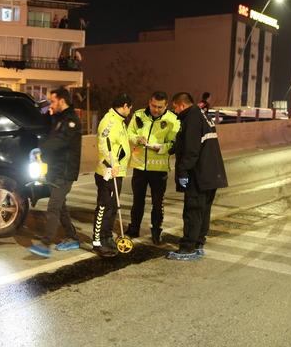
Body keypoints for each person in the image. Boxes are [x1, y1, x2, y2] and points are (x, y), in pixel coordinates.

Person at [168, 92, 228, 260]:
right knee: (203, 211)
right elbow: (188, 142)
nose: (175, 111)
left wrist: (183, 171)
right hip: (211, 173)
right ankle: (199, 243)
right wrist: (170, 148)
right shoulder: (202, 115)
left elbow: (191, 149)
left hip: (199, 174)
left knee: (193, 210)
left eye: (175, 108)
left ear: (181, 105)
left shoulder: (192, 118)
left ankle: (187, 248)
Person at [28, 87, 82, 257]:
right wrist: (43, 109)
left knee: (53, 206)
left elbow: (60, 141)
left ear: (62, 100)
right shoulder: (59, 118)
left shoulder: (72, 121)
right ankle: (72, 237)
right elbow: (46, 128)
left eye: (53, 101)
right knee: (61, 206)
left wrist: (40, 149)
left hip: (65, 172)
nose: (51, 104)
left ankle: (45, 244)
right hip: (55, 170)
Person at [126, 91, 180, 245]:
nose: (156, 109)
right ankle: (134, 228)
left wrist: (161, 148)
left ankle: (156, 231)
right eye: (154, 106)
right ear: (149, 102)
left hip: (159, 169)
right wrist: (137, 138)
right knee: (137, 201)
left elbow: (174, 143)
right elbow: (129, 133)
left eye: (160, 107)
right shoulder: (138, 115)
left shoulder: (172, 120)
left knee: (157, 202)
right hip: (139, 167)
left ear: (166, 106)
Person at [92, 93, 133, 257]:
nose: (130, 111)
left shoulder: (119, 121)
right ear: (124, 106)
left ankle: (107, 236)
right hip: (107, 173)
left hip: (118, 172)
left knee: (112, 207)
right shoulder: (109, 121)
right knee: (103, 207)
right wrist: (113, 164)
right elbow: (103, 146)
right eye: (130, 107)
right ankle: (97, 241)